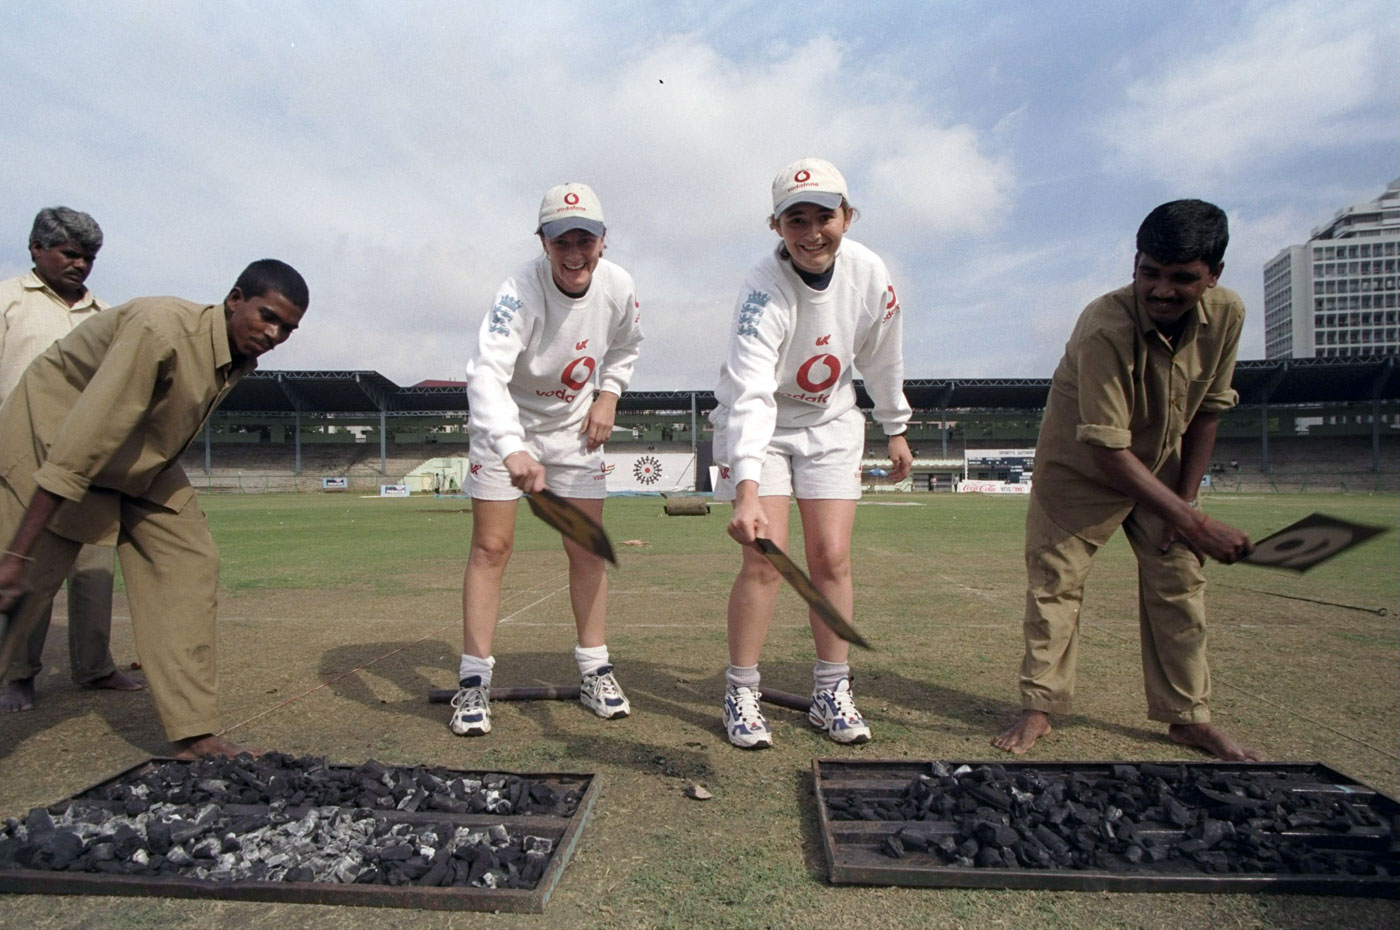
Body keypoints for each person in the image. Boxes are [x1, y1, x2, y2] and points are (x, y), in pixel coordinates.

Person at [0, 259, 309, 759]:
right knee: (21, 584)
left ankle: (193, 732)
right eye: (267, 317)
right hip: (51, 443)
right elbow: (83, 440)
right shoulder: (159, 329)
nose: (275, 334)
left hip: (138, 460)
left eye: (288, 328)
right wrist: (17, 551)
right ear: (235, 298)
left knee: (189, 561)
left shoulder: (234, 355)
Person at [991, 200, 1260, 762]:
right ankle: (1039, 708)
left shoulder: (1229, 314)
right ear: (1135, 263)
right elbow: (1107, 449)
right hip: (1080, 469)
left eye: (1182, 278)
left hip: (1162, 469)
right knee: (1055, 586)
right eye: (1149, 274)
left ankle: (1188, 717)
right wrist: (1198, 521)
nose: (1162, 290)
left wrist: (1183, 508)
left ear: (1213, 276)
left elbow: (1209, 409)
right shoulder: (1104, 326)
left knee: (1180, 581)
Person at [712, 157, 912, 749]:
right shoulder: (760, 288)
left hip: (830, 420)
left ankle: (831, 689)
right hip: (764, 425)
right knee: (766, 559)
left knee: (831, 559)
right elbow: (749, 389)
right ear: (777, 227)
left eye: (823, 216)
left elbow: (882, 355)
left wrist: (894, 425)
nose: (811, 232)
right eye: (795, 219)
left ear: (847, 216)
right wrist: (746, 488)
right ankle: (743, 690)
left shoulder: (871, 273)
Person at [451, 182, 643, 737]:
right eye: (563, 241)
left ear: (603, 242)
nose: (575, 252)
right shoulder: (517, 291)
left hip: (574, 430)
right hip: (507, 423)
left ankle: (594, 670)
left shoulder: (618, 287)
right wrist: (511, 447)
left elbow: (629, 345)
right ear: (544, 243)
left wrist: (609, 394)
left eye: (585, 238)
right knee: (492, 547)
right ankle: (473, 681)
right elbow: (485, 372)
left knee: (585, 548)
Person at [0, 207, 144, 711]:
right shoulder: (9, 301)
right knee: (29, 567)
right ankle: (18, 673)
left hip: (87, 463)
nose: (81, 264)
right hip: (21, 457)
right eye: (70, 253)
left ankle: (95, 666)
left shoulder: (106, 315)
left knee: (93, 569)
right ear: (37, 248)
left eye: (90, 257)